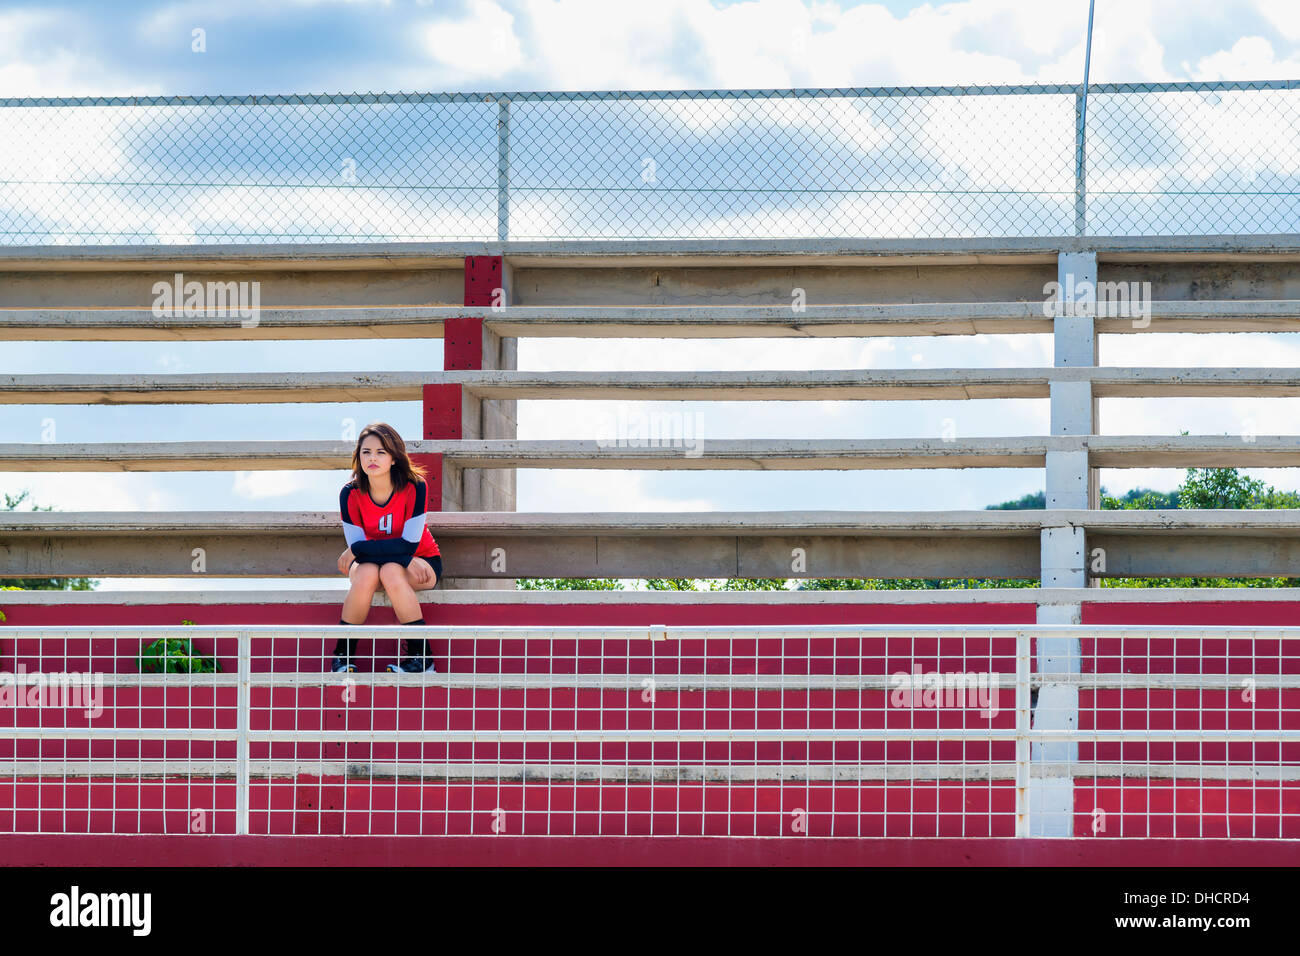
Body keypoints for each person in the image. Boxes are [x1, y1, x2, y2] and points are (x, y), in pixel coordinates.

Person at [332, 422, 442, 674]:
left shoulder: (415, 486)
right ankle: (342, 657)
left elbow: (409, 544)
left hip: (421, 561)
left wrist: (366, 551)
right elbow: (358, 545)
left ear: (394, 458)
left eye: (381, 452)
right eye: (366, 452)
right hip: (379, 565)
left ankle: (423, 659)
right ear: (358, 457)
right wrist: (398, 555)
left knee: (391, 571)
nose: (372, 458)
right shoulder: (349, 493)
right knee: (367, 572)